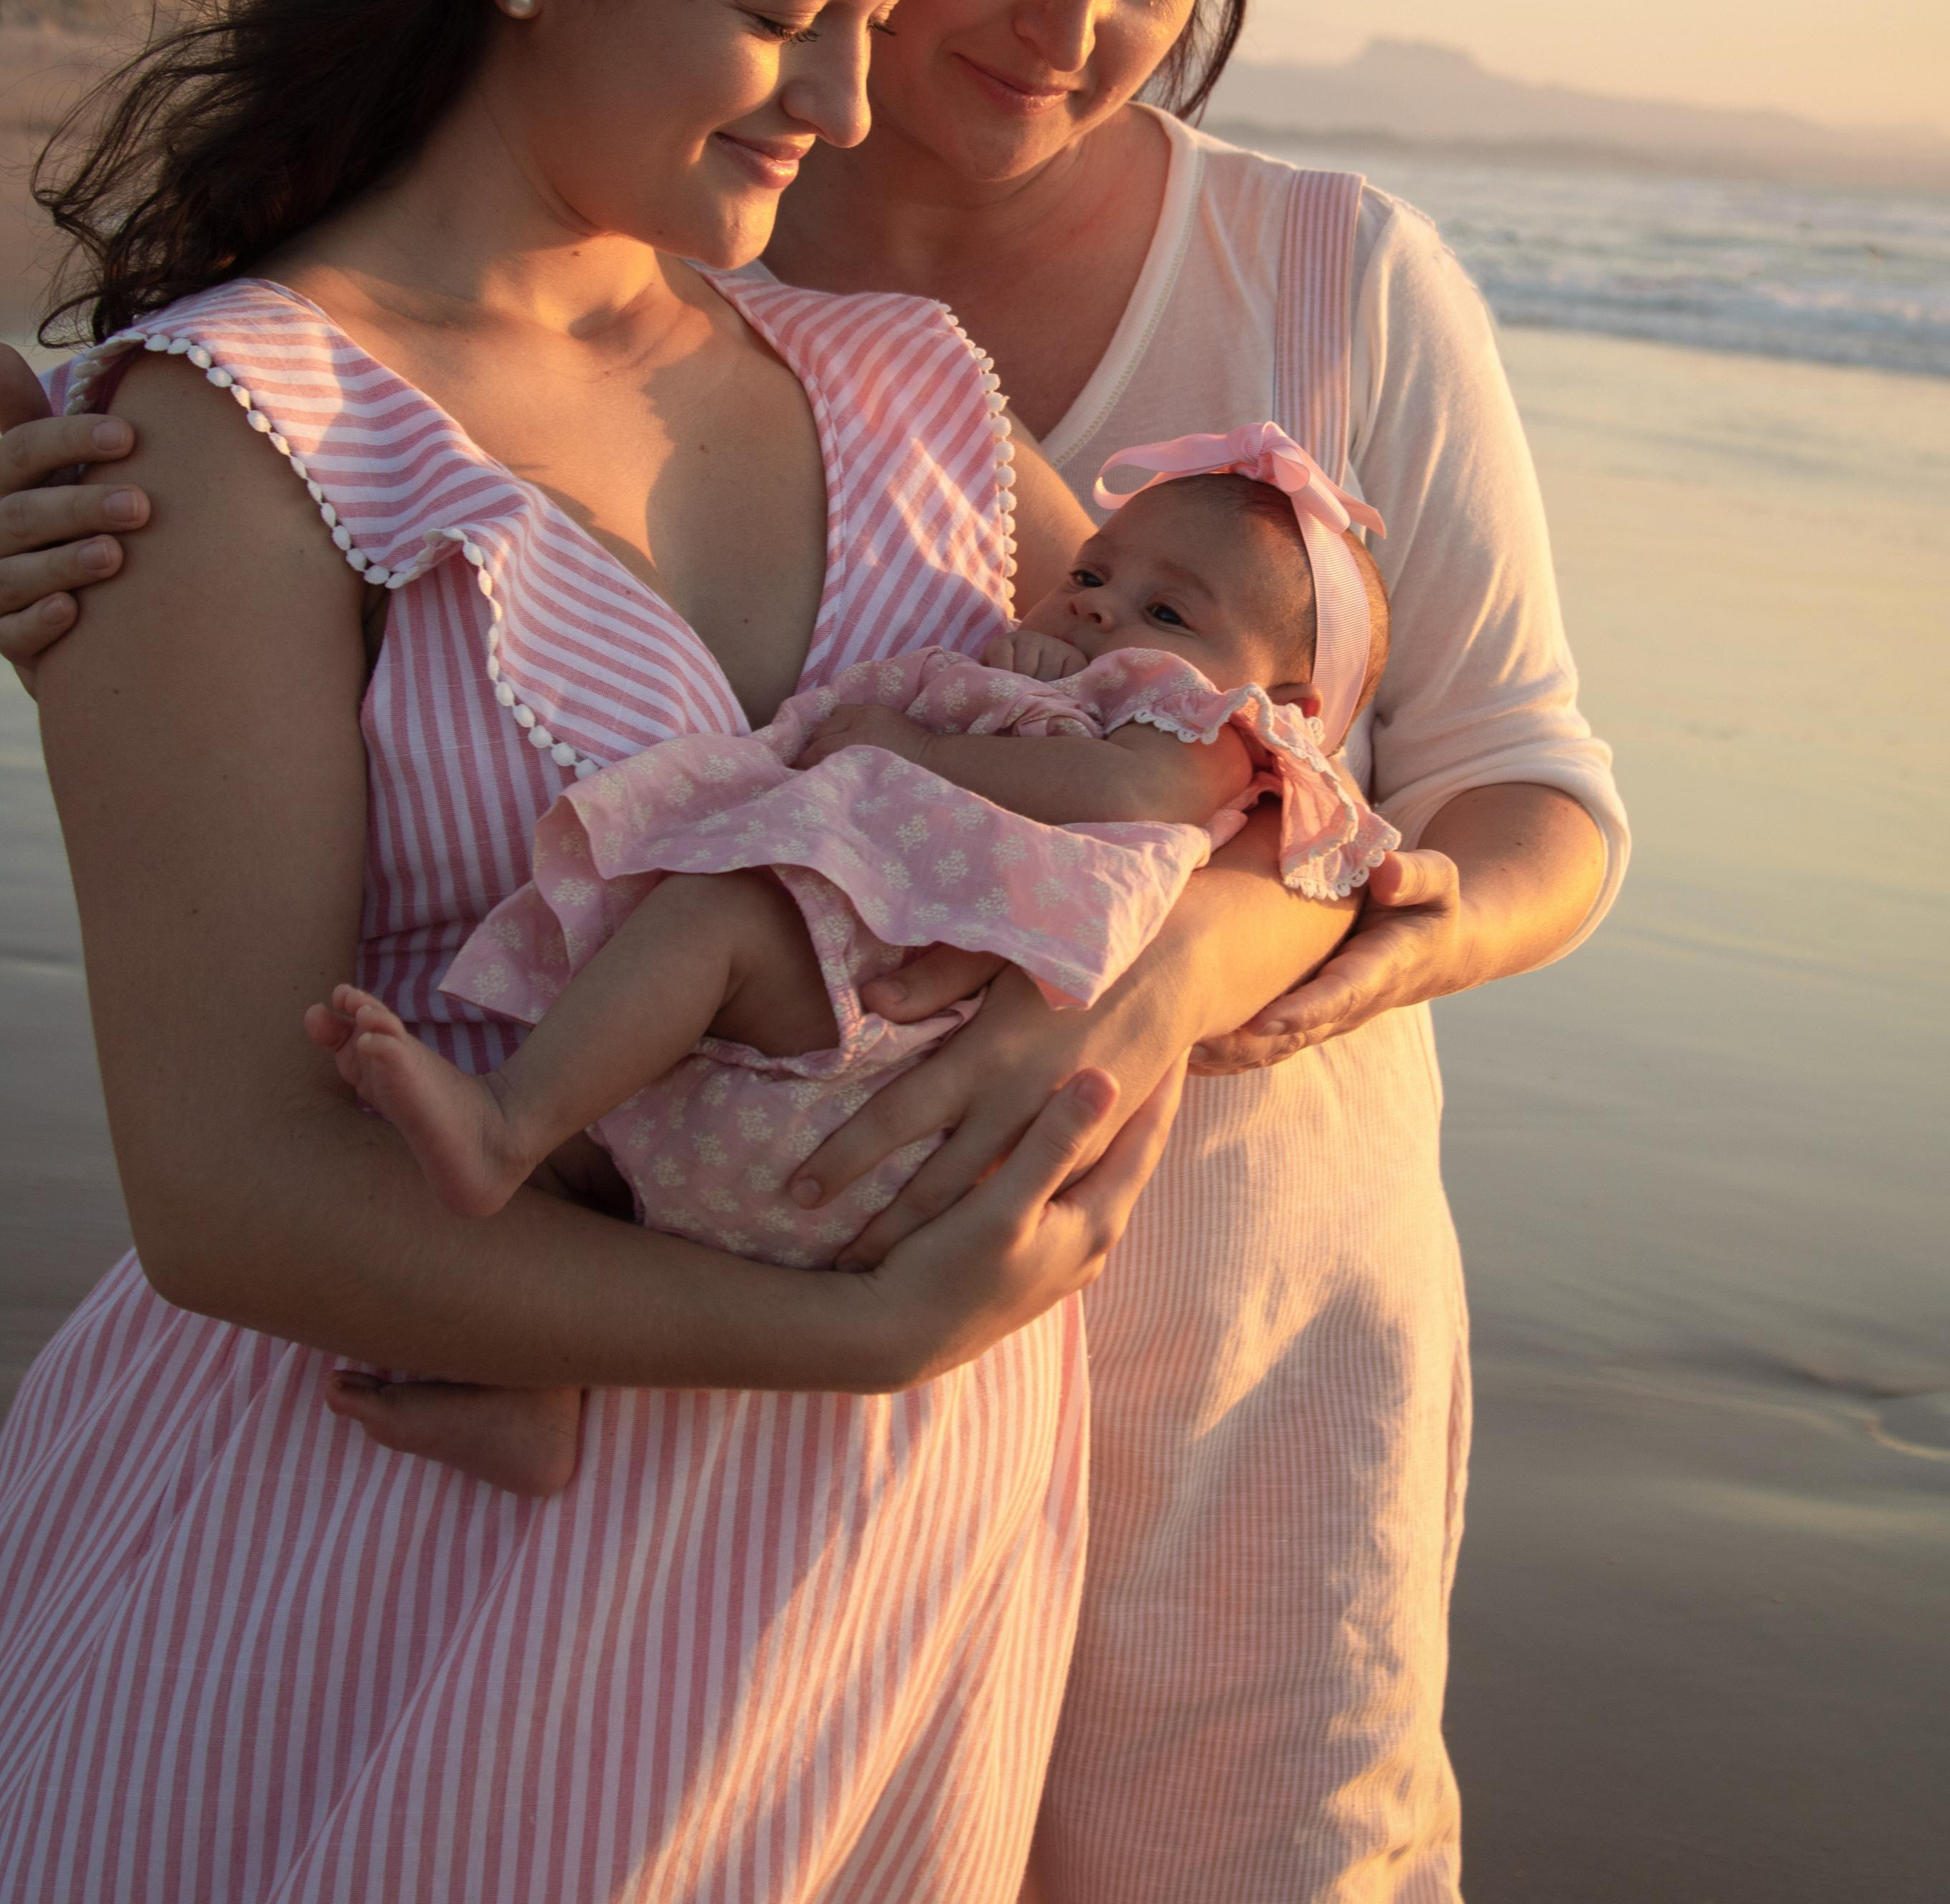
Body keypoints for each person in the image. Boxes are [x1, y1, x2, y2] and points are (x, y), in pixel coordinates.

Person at [0, 0, 1630, 1904]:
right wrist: (855, 1340)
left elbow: (1290, 784)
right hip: (417, 1605)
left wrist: (1188, 960)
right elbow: (225, 1191)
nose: (864, 92)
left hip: (885, 1615)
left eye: (879, 2)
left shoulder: (900, 392)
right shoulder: (233, 432)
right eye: (800, 3)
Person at [299, 428, 1396, 1498]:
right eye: (1092, 575)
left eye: (1167, 613)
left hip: (886, 1066)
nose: (1102, 608)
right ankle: (531, 1392)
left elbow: (1126, 793)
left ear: (1295, 712)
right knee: (598, 1155)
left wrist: (920, 748)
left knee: (719, 919)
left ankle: (503, 1124)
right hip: (813, 1103)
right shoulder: (1075, 689)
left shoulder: (1213, 738)